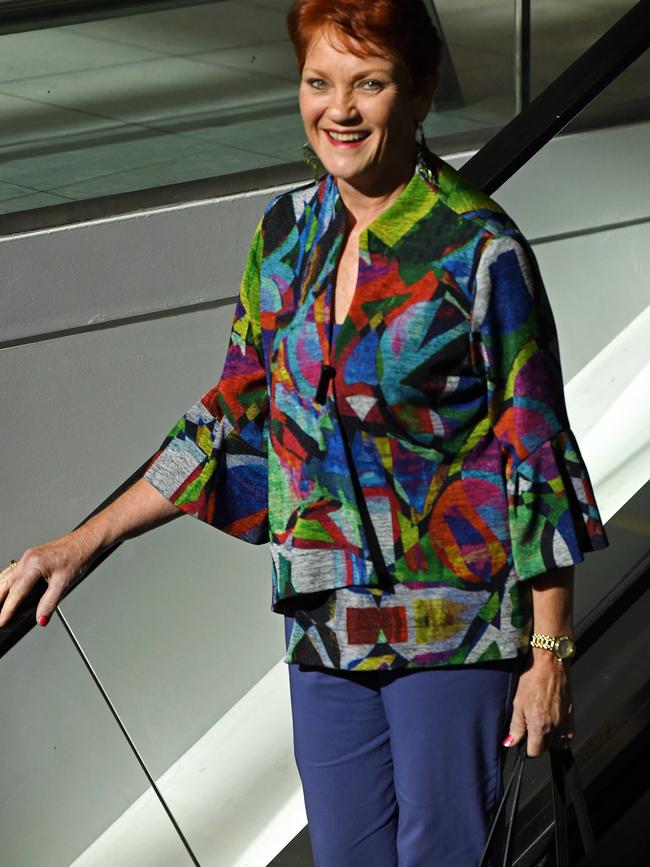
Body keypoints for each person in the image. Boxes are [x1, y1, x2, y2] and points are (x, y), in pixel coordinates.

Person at [0, 1, 610, 864]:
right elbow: (232, 415)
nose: (341, 109)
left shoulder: (479, 250)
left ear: (422, 90)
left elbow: (536, 453)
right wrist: (81, 542)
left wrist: (548, 654)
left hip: (456, 629)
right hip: (324, 624)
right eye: (319, 82)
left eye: (370, 82)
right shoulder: (285, 237)